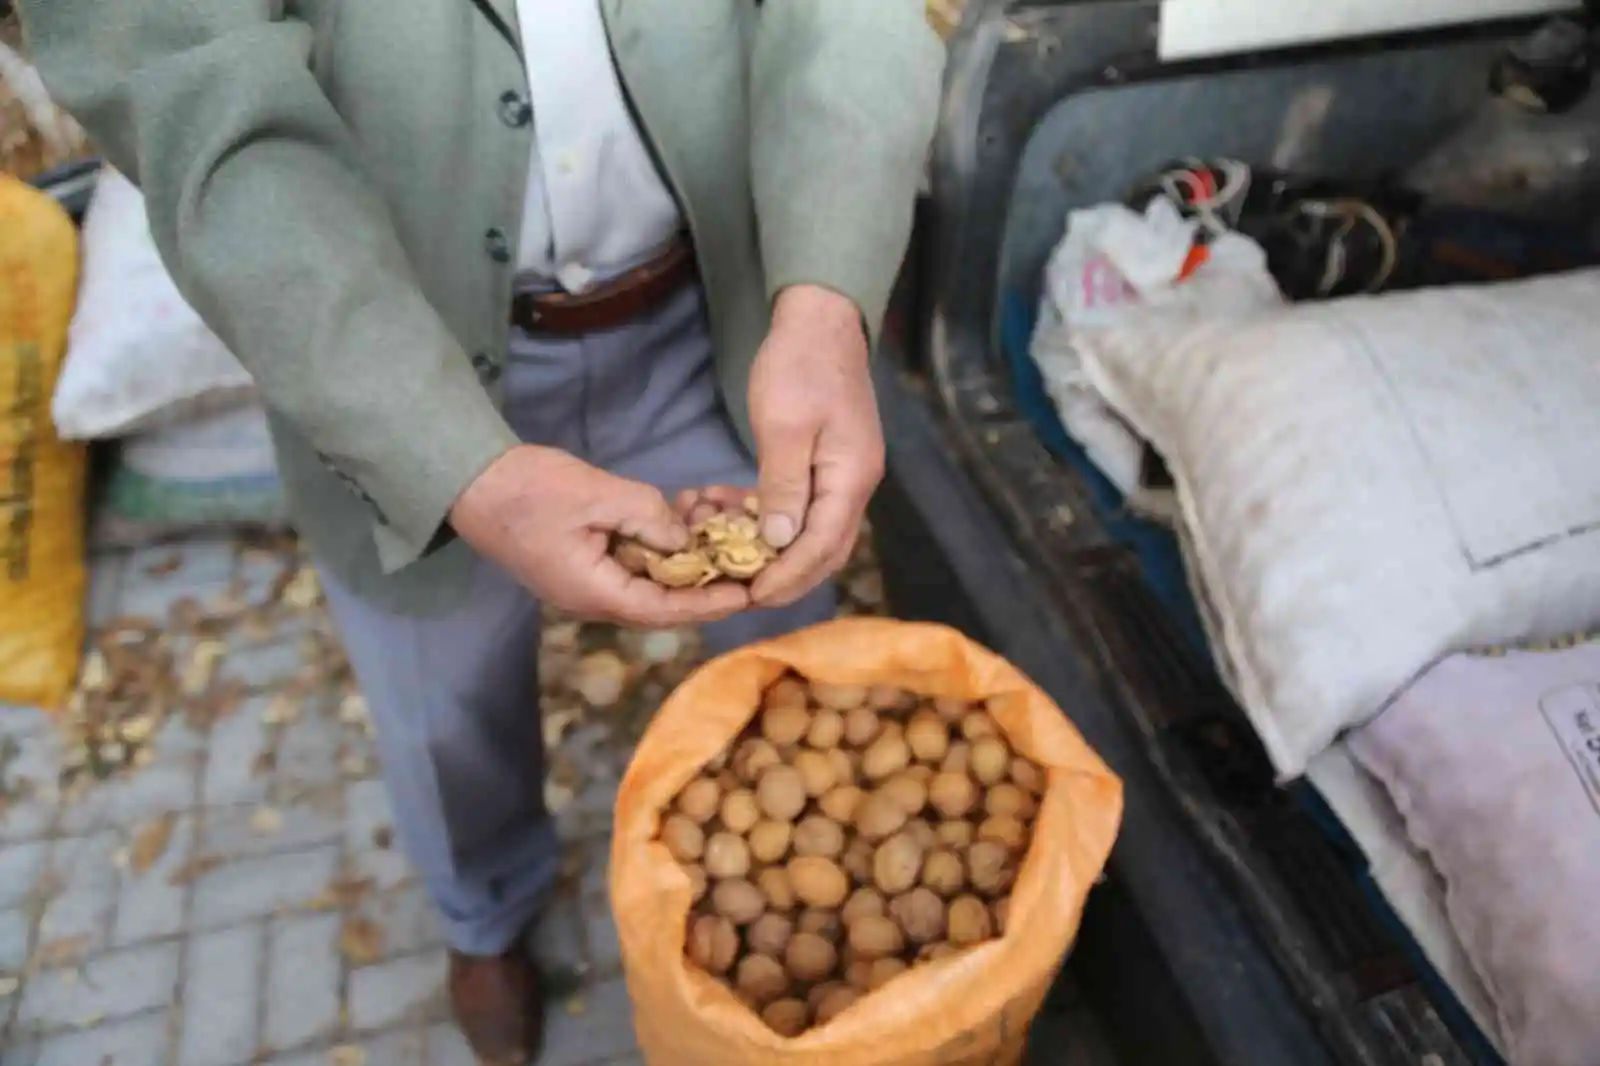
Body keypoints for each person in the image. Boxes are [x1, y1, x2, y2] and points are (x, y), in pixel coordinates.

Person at [21, 0, 942, 1060]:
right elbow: (189, 81)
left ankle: (788, 907)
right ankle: (486, 918)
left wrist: (827, 295)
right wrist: (441, 453)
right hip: (407, 350)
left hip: (728, 306)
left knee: (784, 637)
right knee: (441, 703)